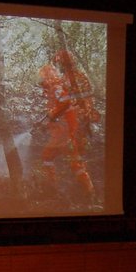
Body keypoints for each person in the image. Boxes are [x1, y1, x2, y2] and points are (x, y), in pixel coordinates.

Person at [36, 47, 98, 200]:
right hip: (80, 125)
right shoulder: (80, 77)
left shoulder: (62, 83)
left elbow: (64, 104)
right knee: (75, 160)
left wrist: (51, 117)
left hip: (71, 128)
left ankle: (53, 190)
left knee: (56, 157)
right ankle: (88, 192)